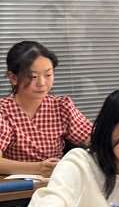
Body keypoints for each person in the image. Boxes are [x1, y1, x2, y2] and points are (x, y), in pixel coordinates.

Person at [0, 41, 92, 176]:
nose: (41, 83)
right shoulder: (3, 111)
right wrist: (38, 168)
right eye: (33, 77)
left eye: (48, 75)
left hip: (58, 181)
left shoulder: (61, 106)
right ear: (13, 78)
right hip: (18, 186)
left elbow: (93, 139)